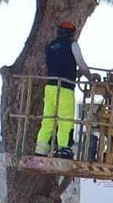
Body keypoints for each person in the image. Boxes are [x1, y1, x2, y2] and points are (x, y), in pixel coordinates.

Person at [34, 20, 91, 158]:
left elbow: (59, 67)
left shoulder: (50, 46)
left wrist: (74, 74)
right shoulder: (73, 45)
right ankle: (63, 148)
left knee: (48, 119)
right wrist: (90, 77)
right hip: (65, 88)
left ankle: (41, 149)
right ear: (71, 33)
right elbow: (81, 64)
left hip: (50, 87)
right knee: (65, 119)